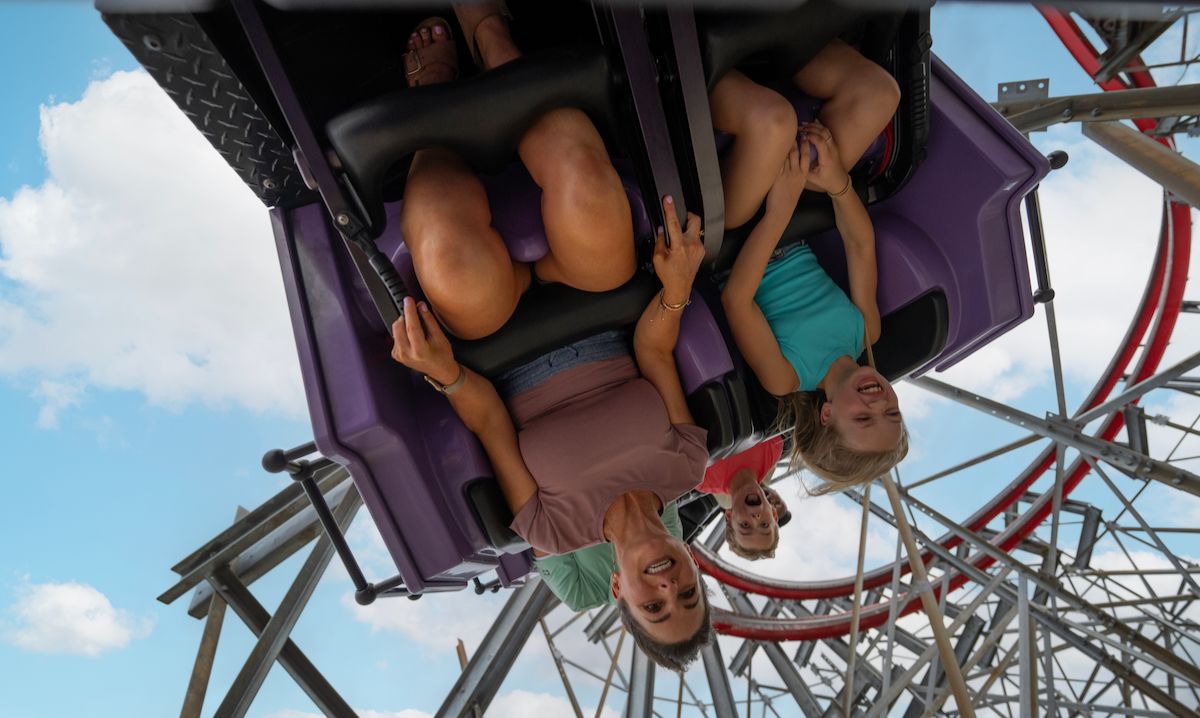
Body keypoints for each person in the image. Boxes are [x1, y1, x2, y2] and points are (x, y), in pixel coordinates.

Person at [714, 40, 909, 493]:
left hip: (736, 233)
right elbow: (860, 245)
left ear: (827, 415)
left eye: (863, 418)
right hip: (791, 213)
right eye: (892, 412)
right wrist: (837, 181)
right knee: (880, 93)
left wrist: (779, 210)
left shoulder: (787, 376)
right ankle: (768, 39)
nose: (877, 403)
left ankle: (692, 63)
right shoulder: (866, 333)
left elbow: (737, 299)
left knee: (775, 122)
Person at [399, 4, 637, 341]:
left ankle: (434, 102)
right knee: (588, 193)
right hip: (604, 292)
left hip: (490, 343)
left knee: (453, 267)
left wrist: (446, 377)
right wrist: (675, 292)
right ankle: (492, 44)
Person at [534, 501, 685, 612]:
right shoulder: (670, 544)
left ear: (616, 586)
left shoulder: (580, 595)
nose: (670, 588)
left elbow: (537, 523)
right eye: (686, 593)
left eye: (654, 606)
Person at [697, 437, 786, 559]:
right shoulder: (774, 449)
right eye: (764, 525)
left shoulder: (702, 477)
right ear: (774, 514)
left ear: (729, 516)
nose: (756, 518)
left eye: (745, 525)